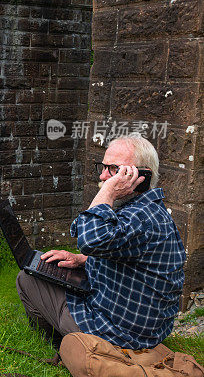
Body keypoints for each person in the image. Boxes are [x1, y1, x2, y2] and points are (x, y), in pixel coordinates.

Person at [16, 133, 186, 350]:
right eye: (104, 167)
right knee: (47, 270)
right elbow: (117, 252)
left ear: (142, 176)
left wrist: (108, 192)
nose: (104, 177)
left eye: (115, 170)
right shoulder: (145, 209)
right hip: (138, 329)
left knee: (27, 279)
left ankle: (62, 346)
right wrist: (81, 260)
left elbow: (89, 239)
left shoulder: (140, 217)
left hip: (118, 335)